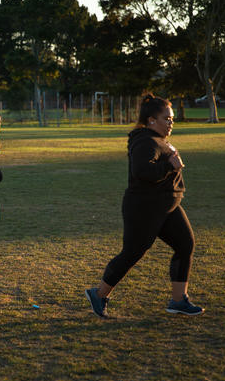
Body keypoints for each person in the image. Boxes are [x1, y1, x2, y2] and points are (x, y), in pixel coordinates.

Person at [85, 94, 203, 317]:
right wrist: (170, 165)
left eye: (172, 119)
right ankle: (99, 294)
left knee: (185, 244)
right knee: (132, 253)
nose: (171, 123)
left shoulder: (157, 139)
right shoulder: (145, 141)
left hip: (167, 205)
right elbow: (142, 172)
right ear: (151, 120)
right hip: (144, 208)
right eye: (166, 119)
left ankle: (178, 300)